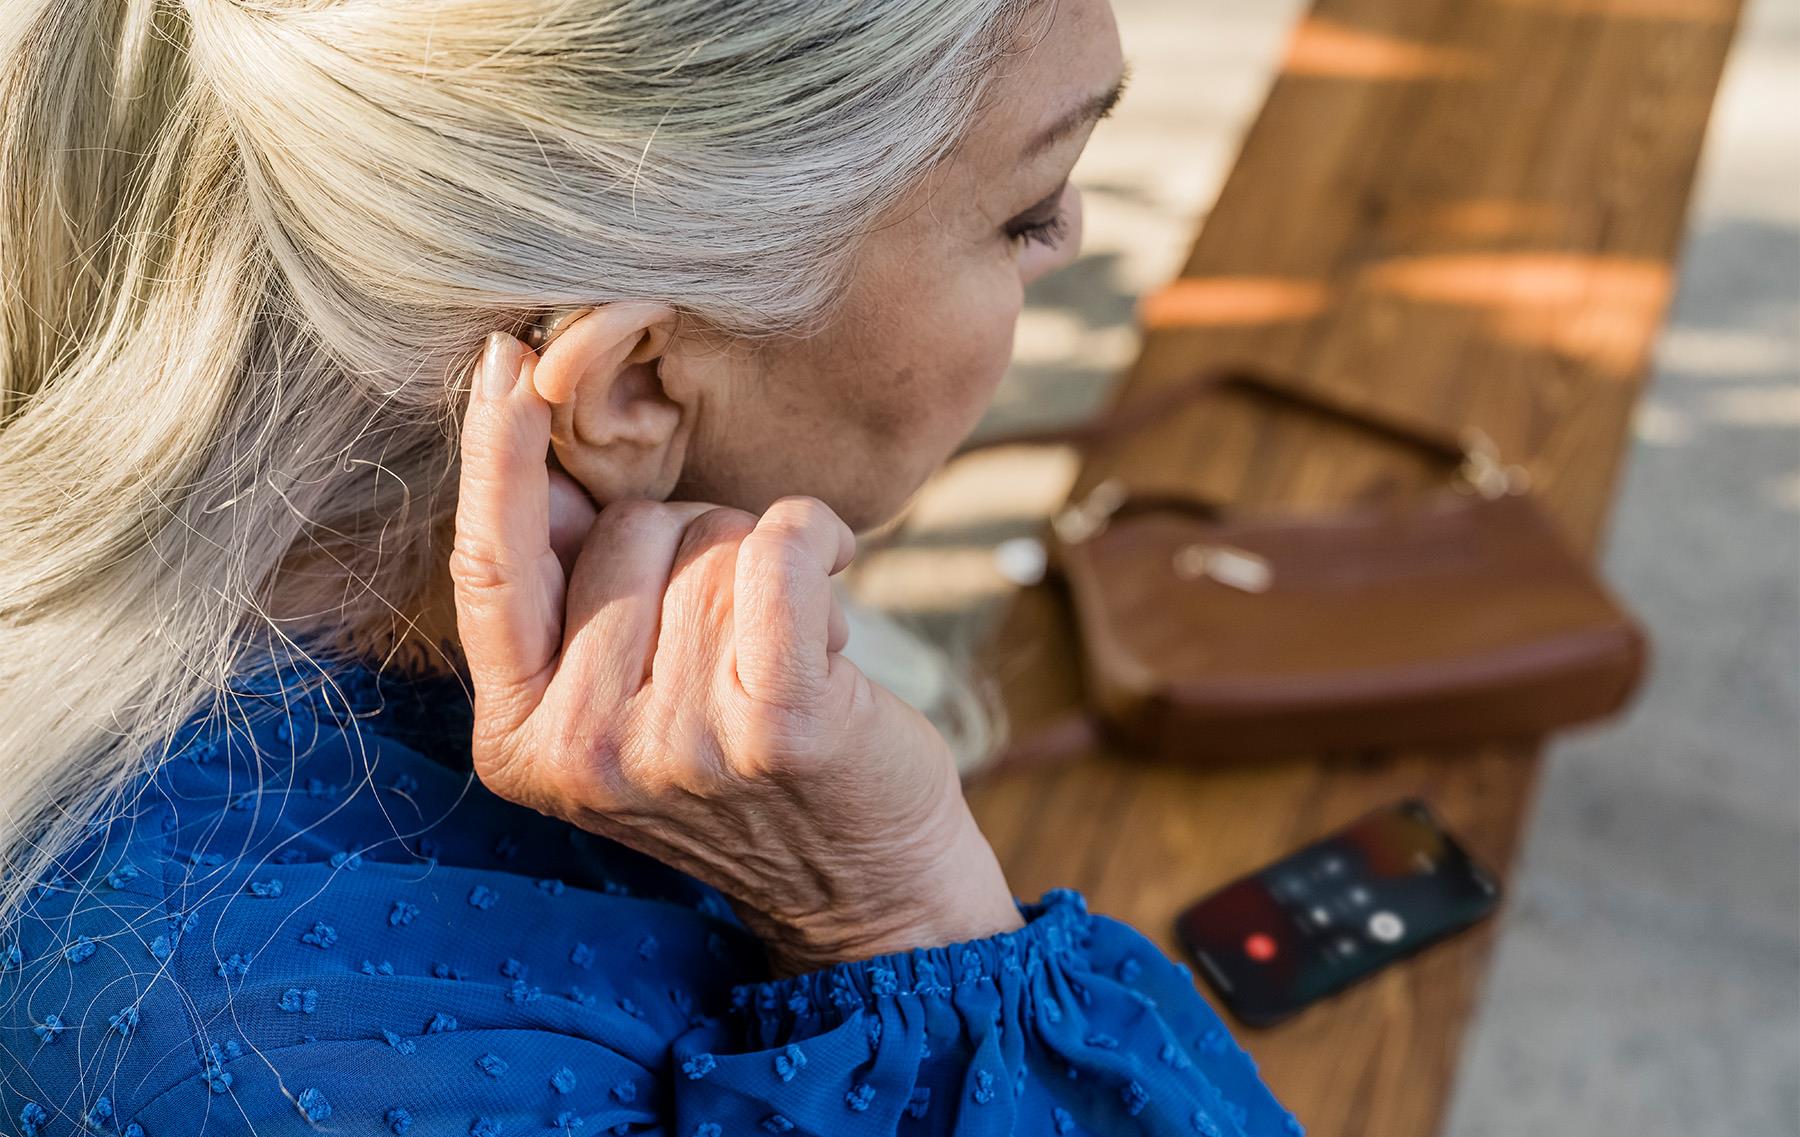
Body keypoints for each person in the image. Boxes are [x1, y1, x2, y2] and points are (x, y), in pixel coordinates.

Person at [0, 0, 1303, 1133]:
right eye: (1022, 207)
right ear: (629, 392)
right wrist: (905, 921)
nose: (1073, 228)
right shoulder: (283, 1065)